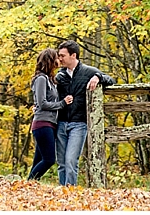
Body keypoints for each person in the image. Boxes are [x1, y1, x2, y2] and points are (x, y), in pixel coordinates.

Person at [54, 40, 116, 186]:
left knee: (71, 160)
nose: (60, 59)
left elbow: (111, 80)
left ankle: (71, 192)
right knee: (61, 162)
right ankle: (63, 193)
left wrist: (98, 77)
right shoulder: (59, 76)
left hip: (79, 124)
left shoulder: (88, 72)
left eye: (62, 55)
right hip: (61, 123)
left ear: (73, 55)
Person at [27, 48, 72, 181]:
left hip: (50, 124)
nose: (59, 60)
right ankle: (27, 183)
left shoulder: (50, 79)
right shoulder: (41, 79)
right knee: (49, 159)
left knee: (39, 159)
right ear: (50, 60)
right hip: (42, 123)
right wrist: (62, 103)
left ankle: (29, 186)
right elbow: (42, 103)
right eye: (56, 58)